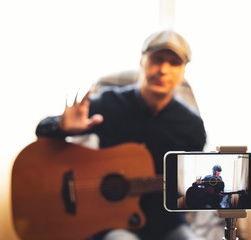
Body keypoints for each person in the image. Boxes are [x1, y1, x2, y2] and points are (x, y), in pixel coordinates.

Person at [35, 30, 207, 240]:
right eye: (157, 59)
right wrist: (63, 127)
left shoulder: (193, 126)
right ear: (142, 61)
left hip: (166, 224)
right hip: (109, 221)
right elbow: (42, 130)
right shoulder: (108, 104)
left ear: (183, 72)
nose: (163, 70)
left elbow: (190, 190)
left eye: (173, 63)